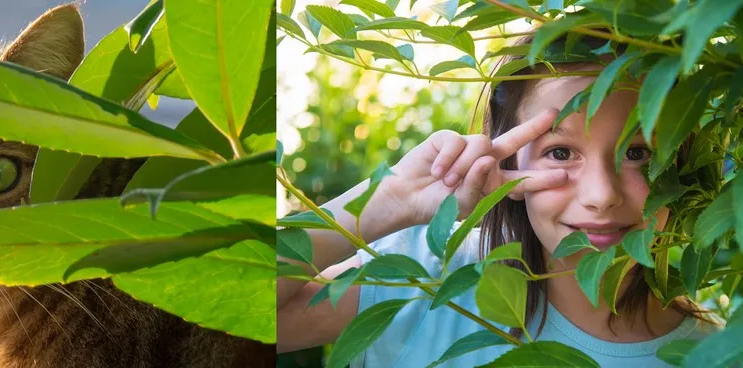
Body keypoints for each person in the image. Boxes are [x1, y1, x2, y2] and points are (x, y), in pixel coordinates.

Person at [277, 34, 720, 367]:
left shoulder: (729, 354)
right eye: (560, 153)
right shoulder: (421, 279)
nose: (601, 196)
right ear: (505, 159)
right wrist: (387, 201)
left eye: (637, 153)